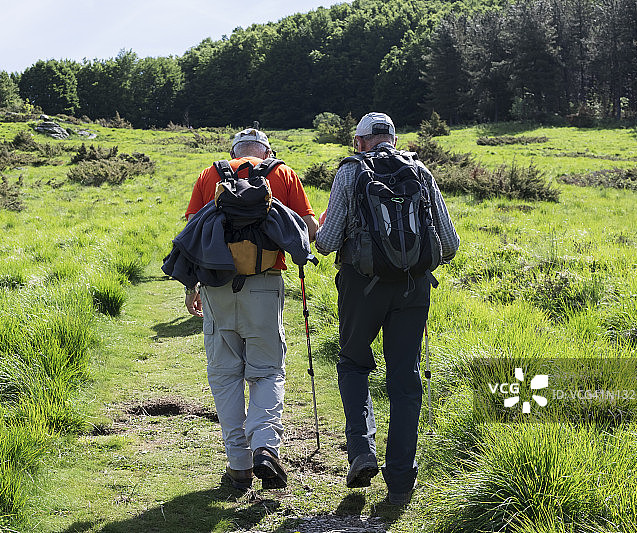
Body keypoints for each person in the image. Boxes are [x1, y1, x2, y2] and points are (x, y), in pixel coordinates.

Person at [314, 112, 459, 505]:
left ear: (359, 141)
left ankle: (362, 451)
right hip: (413, 288)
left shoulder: (351, 171)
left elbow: (327, 243)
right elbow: (449, 244)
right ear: (394, 139)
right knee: (405, 379)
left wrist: (319, 231)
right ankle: (400, 481)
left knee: (353, 363)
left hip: (361, 286)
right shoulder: (420, 171)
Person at [181, 128, 318, 491]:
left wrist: (191, 287)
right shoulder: (283, 173)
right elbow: (308, 228)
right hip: (265, 284)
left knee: (225, 375)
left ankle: (239, 466)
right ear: (267, 151)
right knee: (268, 371)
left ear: (234, 152)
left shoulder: (210, 174)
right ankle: (265, 447)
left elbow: (193, 233)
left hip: (216, 286)